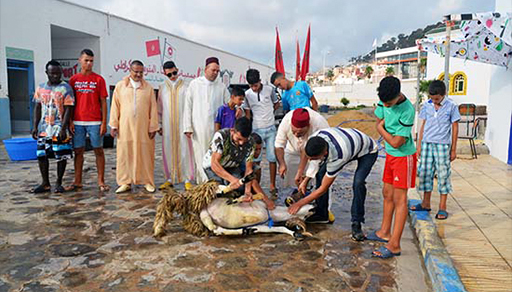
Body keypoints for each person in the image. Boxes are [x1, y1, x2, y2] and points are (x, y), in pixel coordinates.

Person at [287, 128, 378, 239]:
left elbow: (323, 188)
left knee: (358, 183)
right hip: (349, 142)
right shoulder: (315, 138)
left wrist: (300, 203)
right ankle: (322, 214)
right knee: (320, 174)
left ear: (324, 153)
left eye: (313, 158)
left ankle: (357, 223)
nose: (310, 160)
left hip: (367, 151)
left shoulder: (338, 156)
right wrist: (305, 180)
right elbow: (314, 163)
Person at [369, 76, 416, 259]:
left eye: (390, 104)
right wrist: (382, 128)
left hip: (404, 157)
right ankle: (384, 232)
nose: (386, 106)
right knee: (387, 194)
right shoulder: (383, 100)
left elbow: (397, 142)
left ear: (398, 96)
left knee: (400, 199)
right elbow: (378, 119)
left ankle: (395, 244)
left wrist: (381, 131)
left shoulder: (407, 110)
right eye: (384, 103)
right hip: (389, 156)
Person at [411, 80, 460, 220]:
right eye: (432, 98)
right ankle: (425, 203)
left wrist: (453, 149)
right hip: (426, 144)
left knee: (443, 175)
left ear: (443, 94)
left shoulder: (451, 106)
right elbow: (423, 125)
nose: (434, 101)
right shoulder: (427, 106)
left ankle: (442, 207)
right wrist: (418, 144)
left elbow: (455, 128)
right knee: (425, 173)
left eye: (437, 99)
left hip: (442, 145)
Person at [109, 60, 159, 194]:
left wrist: (153, 126)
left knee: (146, 154)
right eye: (135, 71)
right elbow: (115, 107)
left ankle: (147, 181)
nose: (138, 74)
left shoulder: (148, 88)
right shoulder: (121, 86)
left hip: (143, 127)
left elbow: (153, 108)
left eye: (141, 72)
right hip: (125, 126)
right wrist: (114, 125)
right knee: (125, 154)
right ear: (130, 71)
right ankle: (125, 182)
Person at [203, 117, 275, 210]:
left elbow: (249, 169)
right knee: (220, 191)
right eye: (238, 139)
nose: (241, 143)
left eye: (244, 141)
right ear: (233, 131)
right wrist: (232, 179)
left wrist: (247, 191)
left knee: (239, 189)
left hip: (232, 165)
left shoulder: (251, 142)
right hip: (213, 166)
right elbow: (214, 164)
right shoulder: (221, 136)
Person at [66, 49, 109, 192]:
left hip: (95, 122)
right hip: (78, 122)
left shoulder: (99, 79)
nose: (89, 63)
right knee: (78, 151)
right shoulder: (73, 80)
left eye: (91, 61)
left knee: (98, 150)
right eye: (86, 60)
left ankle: (101, 181)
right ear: (80, 60)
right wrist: (70, 121)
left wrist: (104, 122)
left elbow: (103, 102)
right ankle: (77, 181)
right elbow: (70, 102)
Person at [183, 57, 230, 183]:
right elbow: (187, 106)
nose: (215, 73)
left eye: (217, 71)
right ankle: (203, 184)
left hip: (216, 129)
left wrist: (237, 109)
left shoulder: (221, 87)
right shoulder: (195, 84)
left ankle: (215, 183)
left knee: (215, 155)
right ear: (205, 69)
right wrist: (187, 126)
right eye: (213, 70)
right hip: (198, 128)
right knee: (200, 155)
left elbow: (229, 104)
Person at [31, 60, 74, 193]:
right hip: (44, 129)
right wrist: (35, 126)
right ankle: (45, 183)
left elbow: (68, 109)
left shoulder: (66, 88)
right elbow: (37, 107)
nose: (55, 76)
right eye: (52, 73)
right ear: (47, 73)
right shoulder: (41, 88)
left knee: (61, 156)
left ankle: (58, 183)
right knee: (41, 155)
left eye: (58, 73)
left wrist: (63, 128)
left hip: (59, 129)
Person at [244, 69, 280, 197]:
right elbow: (248, 113)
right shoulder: (247, 94)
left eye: (256, 85)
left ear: (260, 81)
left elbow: (276, 104)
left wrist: (269, 114)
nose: (254, 88)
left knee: (272, 158)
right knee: (256, 160)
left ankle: (272, 185)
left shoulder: (270, 90)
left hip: (270, 129)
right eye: (251, 86)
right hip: (256, 130)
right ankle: (256, 184)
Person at [157, 61, 191, 190]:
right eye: (169, 74)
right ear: (165, 73)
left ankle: (187, 178)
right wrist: (159, 124)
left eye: (174, 73)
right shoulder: (162, 87)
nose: (172, 76)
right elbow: (159, 108)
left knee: (185, 150)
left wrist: (190, 124)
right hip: (168, 125)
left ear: (177, 69)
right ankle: (169, 178)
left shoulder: (187, 86)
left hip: (183, 124)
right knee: (168, 150)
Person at [275, 108, 329, 188]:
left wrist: (302, 172)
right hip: (293, 149)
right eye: (294, 132)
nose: (296, 135)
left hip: (316, 153)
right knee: (291, 178)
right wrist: (282, 163)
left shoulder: (319, 124)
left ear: (308, 126)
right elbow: (279, 145)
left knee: (318, 179)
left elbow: (309, 151)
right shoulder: (286, 121)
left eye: (300, 133)